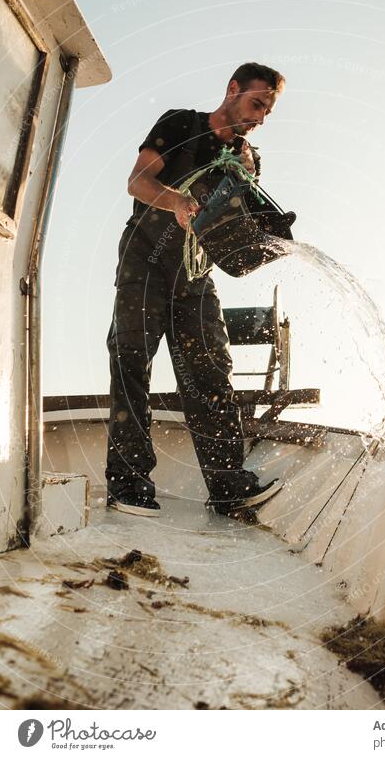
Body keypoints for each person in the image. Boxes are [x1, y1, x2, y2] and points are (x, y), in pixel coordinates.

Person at [105, 62, 286, 517]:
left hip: (195, 277)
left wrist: (247, 182)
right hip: (145, 261)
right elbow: (138, 181)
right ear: (232, 90)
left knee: (210, 374)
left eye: (268, 110)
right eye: (256, 103)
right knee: (131, 363)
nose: (260, 116)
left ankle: (227, 487)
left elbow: (235, 227)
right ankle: (128, 484)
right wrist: (178, 201)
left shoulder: (248, 158)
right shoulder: (180, 123)